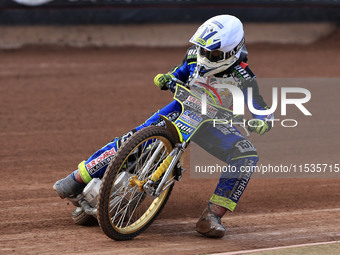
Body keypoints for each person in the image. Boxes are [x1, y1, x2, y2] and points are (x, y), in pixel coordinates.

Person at [53, 15, 272, 238]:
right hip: (181, 108)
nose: (205, 55)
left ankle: (212, 215)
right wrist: (167, 78)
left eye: (212, 53)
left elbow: (260, 105)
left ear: (230, 52)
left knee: (245, 155)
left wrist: (262, 120)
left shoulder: (243, 76)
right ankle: (77, 178)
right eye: (203, 49)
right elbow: (179, 73)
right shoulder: (194, 55)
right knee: (135, 137)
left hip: (212, 123)